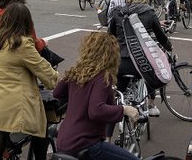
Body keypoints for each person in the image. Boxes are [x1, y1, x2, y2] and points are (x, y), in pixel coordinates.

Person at [0, 3, 59, 160]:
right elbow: (46, 73)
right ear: (27, 23)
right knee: (41, 126)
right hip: (11, 111)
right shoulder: (22, 44)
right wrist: (58, 80)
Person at [54, 32, 139, 160]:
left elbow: (58, 93)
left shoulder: (77, 71)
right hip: (84, 142)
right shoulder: (103, 77)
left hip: (64, 141)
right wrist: (125, 109)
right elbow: (96, 110)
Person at [108, 0, 172, 118]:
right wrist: (169, 47)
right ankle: (150, 105)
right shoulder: (149, 13)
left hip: (121, 62)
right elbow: (161, 37)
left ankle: (108, 133)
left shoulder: (118, 13)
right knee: (153, 74)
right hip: (140, 62)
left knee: (116, 99)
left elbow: (110, 36)